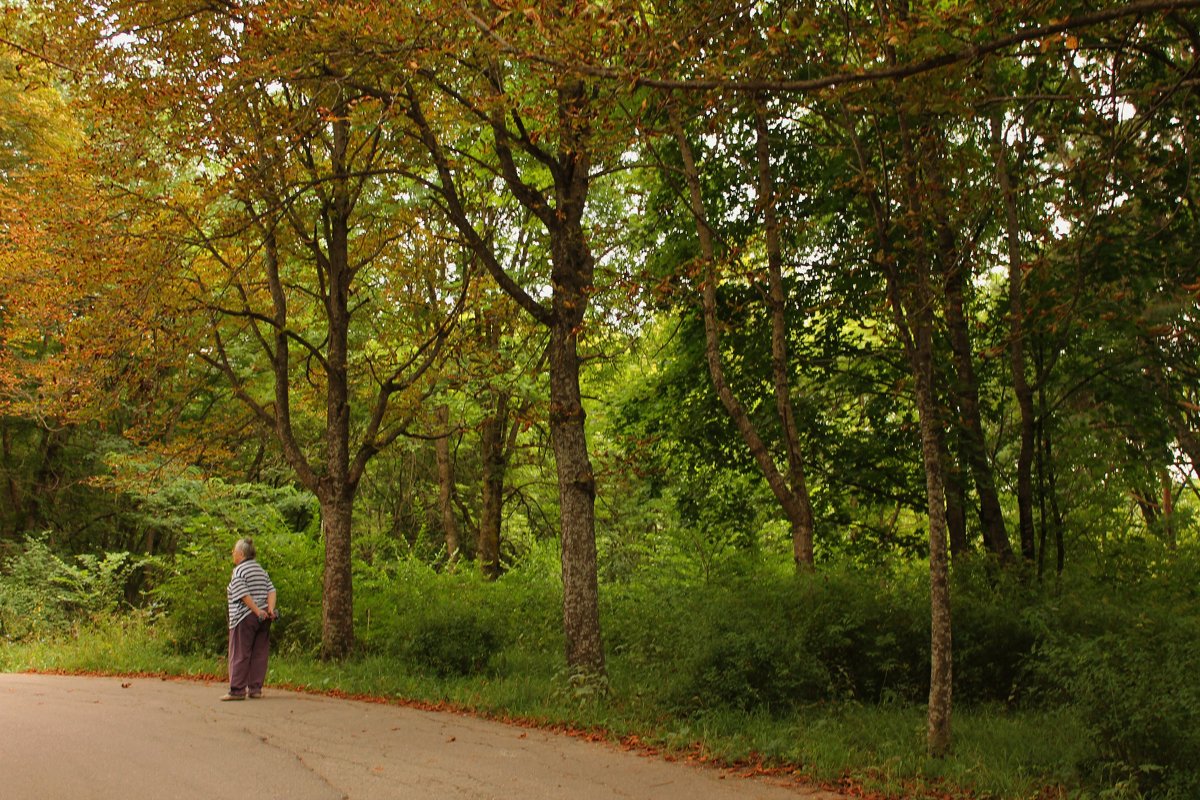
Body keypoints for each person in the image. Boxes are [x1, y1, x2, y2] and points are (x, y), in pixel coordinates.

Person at [221, 537, 277, 701]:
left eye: (234, 551)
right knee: (259, 653)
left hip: (244, 618)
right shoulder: (260, 570)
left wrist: (256, 610)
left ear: (240, 553)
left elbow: (243, 594)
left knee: (240, 652)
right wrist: (269, 609)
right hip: (264, 617)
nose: (232, 554)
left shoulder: (239, 571)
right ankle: (255, 688)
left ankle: (237, 690)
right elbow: (272, 590)